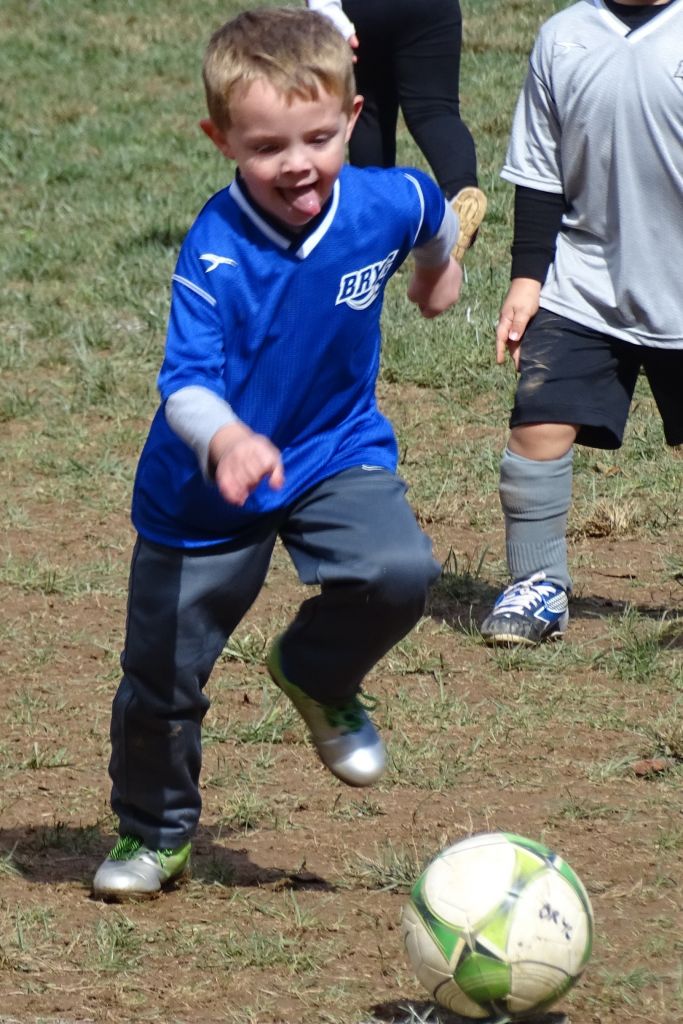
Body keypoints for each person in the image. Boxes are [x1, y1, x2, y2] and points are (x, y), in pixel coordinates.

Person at [92, 7, 463, 899]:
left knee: (398, 571)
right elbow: (184, 381)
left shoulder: (381, 197)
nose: (297, 163)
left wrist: (435, 271)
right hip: (205, 489)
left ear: (352, 114)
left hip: (334, 448)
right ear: (219, 138)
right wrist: (225, 437)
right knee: (162, 682)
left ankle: (316, 670)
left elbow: (430, 213)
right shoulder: (216, 249)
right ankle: (155, 832)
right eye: (265, 146)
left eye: (319, 137)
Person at [480, 0, 683, 647]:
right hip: (582, 280)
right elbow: (539, 173)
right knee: (538, 423)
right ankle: (537, 585)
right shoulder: (561, 37)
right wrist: (525, 278)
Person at [306, 0, 487, 262]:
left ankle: (375, 227)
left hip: (363, 10)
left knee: (369, 112)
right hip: (430, 9)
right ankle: (462, 191)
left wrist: (329, 15)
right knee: (436, 111)